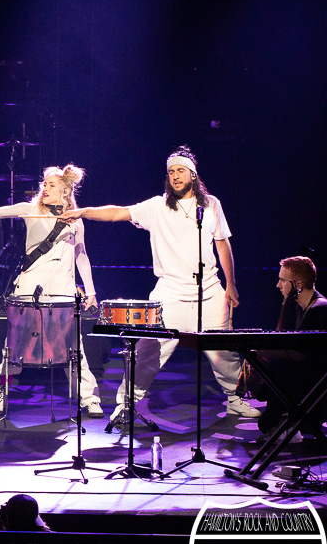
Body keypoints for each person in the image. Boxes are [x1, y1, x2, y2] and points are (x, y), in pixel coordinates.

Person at [61, 147, 260, 420]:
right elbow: (118, 213)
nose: (175, 176)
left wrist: (231, 284)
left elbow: (222, 243)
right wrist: (83, 212)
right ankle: (126, 405)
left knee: (224, 352)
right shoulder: (157, 206)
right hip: (170, 294)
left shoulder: (211, 204)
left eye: (180, 171)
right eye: (171, 172)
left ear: (193, 174)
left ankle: (235, 399)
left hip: (210, 292)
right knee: (147, 354)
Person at [0, 164, 102, 416]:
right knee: (15, 342)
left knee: (72, 344)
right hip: (30, 286)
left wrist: (90, 291)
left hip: (62, 288)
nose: (45, 188)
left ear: (64, 191)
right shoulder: (30, 210)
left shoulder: (76, 220)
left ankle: (88, 397)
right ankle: (3, 392)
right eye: (44, 184)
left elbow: (81, 255)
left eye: (51, 185)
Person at [249, 256, 327, 438]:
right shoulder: (302, 307)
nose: (278, 285)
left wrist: (271, 353)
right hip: (307, 378)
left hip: (317, 385)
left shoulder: (320, 309)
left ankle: (284, 420)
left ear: (298, 285)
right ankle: (282, 418)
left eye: (283, 280)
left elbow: (307, 357)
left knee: (278, 369)